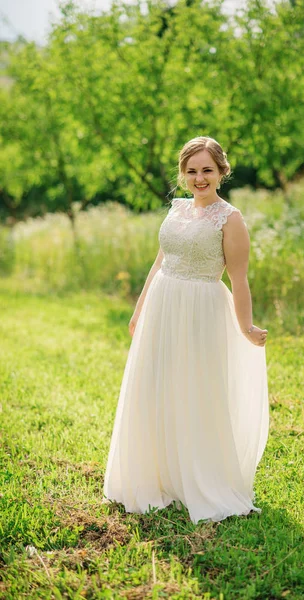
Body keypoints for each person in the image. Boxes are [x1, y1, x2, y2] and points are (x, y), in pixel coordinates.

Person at [103, 136, 269, 525]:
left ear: (221, 172)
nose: (199, 178)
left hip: (200, 311)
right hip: (163, 304)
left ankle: (198, 479)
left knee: (194, 390)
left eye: (207, 170)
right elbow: (159, 262)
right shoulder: (176, 210)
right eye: (191, 170)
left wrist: (245, 327)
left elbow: (239, 279)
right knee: (156, 386)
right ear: (182, 174)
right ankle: (156, 475)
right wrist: (139, 308)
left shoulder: (231, 219)